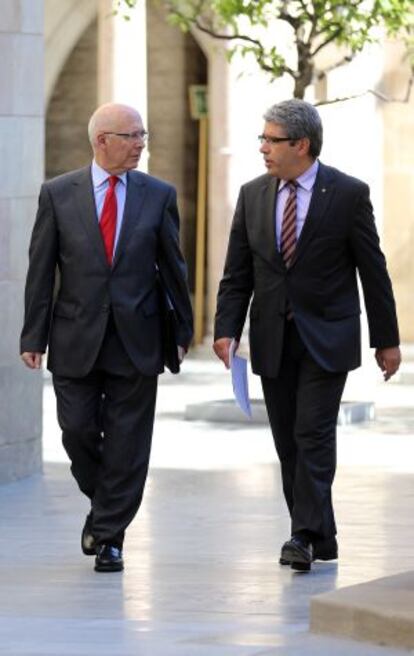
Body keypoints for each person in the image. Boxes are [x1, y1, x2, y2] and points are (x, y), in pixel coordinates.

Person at [213, 99, 400, 572]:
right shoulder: (253, 194)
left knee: (312, 434)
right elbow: (238, 273)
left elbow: (372, 272)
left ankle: (300, 535)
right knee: (288, 442)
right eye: (262, 139)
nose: (263, 149)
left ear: (302, 144)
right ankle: (322, 534)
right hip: (274, 337)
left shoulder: (349, 194)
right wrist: (225, 330)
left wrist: (387, 339)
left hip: (328, 337)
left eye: (271, 140)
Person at [20, 103, 193, 573]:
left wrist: (183, 331)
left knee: (128, 442)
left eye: (144, 134)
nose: (141, 144)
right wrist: (32, 334)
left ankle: (110, 536)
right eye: (132, 135)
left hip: (138, 337)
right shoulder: (58, 194)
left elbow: (174, 268)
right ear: (102, 140)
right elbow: (42, 270)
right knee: (76, 432)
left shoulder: (158, 195)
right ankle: (105, 506)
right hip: (74, 335)